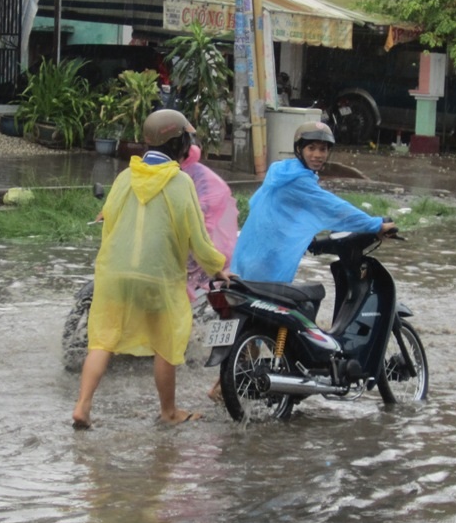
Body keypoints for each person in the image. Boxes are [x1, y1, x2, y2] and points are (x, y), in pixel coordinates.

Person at [72, 109, 232, 430]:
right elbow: (197, 239)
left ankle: (83, 406)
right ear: (179, 143)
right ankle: (169, 411)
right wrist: (218, 269)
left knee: (102, 340)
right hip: (158, 277)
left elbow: (108, 218)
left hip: (116, 273)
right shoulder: (181, 183)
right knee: (166, 344)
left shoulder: (124, 177)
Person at [230, 121, 396, 283]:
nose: (317, 155)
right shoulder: (297, 180)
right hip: (265, 261)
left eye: (323, 149)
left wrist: (307, 238)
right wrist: (375, 224)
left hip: (254, 255)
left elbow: (279, 210)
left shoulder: (284, 172)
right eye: (311, 148)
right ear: (299, 149)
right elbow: (333, 207)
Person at [180, 138, 238, 301]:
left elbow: (201, 225)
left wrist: (214, 267)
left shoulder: (196, 176)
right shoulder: (173, 175)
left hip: (202, 247)